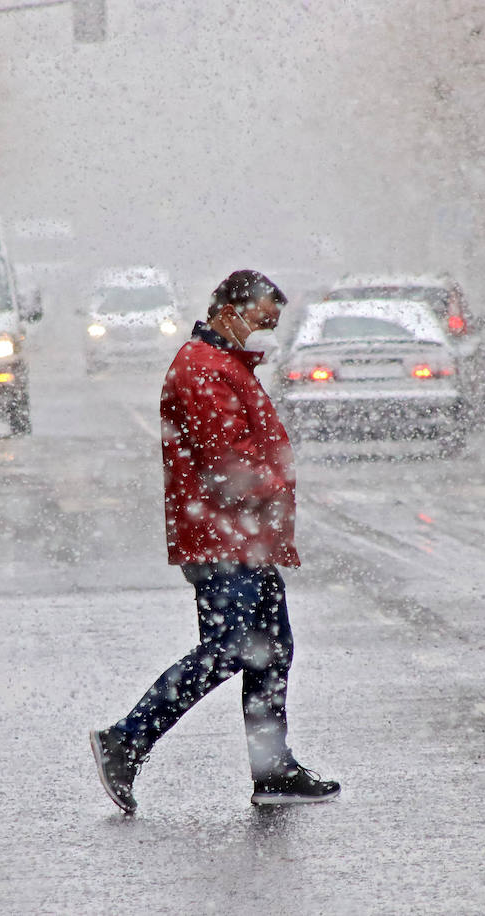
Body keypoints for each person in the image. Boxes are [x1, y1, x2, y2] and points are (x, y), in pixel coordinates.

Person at [89, 269, 340, 814]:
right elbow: (227, 467)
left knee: (271, 649)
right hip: (221, 539)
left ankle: (272, 771)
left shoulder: (225, 365)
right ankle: (125, 741)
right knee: (228, 649)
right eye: (261, 320)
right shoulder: (204, 369)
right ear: (229, 310)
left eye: (273, 324)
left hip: (242, 538)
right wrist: (280, 480)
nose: (266, 334)